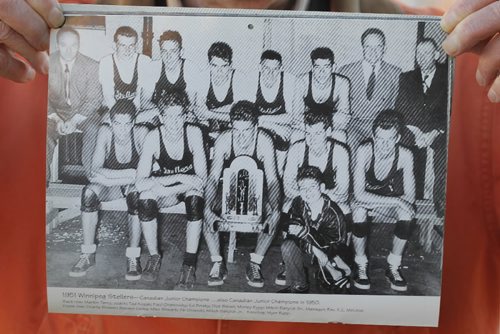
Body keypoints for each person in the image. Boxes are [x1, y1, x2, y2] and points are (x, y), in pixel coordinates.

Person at [0, 0, 498, 333]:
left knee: (270, 193)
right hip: (224, 153)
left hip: (282, 155)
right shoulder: (26, 48)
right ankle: (180, 256)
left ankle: (269, 257)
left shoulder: (474, 54)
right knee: (189, 196)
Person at [203, 100, 281, 288]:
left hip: (256, 192)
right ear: (231, 126)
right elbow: (213, 178)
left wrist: (276, 209)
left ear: (256, 127)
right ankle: (217, 262)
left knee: (274, 210)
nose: (241, 137)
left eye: (246, 131)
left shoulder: (263, 141)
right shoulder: (224, 139)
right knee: (204, 206)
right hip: (228, 191)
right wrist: (207, 207)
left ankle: (255, 263)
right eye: (237, 131)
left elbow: (272, 180)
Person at [135, 91, 207, 289]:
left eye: (179, 116)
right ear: (161, 117)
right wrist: (179, 177)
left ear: (185, 116)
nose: (174, 123)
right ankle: (154, 256)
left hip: (187, 190)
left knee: (195, 200)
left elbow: (201, 180)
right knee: (145, 198)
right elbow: (140, 183)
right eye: (168, 117)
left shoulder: (193, 133)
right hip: (172, 187)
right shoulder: (153, 137)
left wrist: (172, 186)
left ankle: (189, 265)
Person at [69, 99, 142, 281]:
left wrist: (113, 177)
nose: (123, 130)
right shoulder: (105, 132)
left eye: (127, 124)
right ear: (111, 122)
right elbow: (95, 171)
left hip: (129, 187)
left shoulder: (141, 133)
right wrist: (130, 174)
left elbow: (142, 176)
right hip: (113, 187)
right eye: (118, 124)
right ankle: (87, 254)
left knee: (136, 195)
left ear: (133, 122)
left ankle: (133, 256)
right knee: (88, 193)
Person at [351, 110, 415, 292]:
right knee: (359, 211)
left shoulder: (405, 155)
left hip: (384, 202)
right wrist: (397, 201)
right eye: (380, 139)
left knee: (405, 214)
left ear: (397, 138)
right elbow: (359, 195)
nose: (384, 145)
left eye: (389, 140)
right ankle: (361, 264)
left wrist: (397, 202)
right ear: (373, 136)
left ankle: (393, 266)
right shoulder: (364, 150)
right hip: (367, 202)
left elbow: (409, 199)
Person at [395, 38, 448, 216]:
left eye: (427, 53)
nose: (422, 57)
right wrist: (416, 132)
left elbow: (451, 108)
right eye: (419, 53)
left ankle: (440, 203)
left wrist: (434, 132)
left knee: (444, 151)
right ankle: (408, 201)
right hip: (414, 130)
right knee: (405, 147)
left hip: (439, 131)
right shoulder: (407, 77)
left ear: (436, 55)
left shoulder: (448, 75)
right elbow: (401, 109)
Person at [279, 166, 349, 294]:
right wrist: (315, 250)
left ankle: (331, 274)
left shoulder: (333, 213)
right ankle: (299, 285)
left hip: (331, 254)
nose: (307, 192)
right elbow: (293, 231)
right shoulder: (298, 202)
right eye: (302, 188)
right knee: (287, 246)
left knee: (331, 289)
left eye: (312, 187)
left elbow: (336, 245)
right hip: (313, 251)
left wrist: (305, 234)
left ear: (322, 188)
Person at [47, 26, 103, 181]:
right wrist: (56, 118)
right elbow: (41, 98)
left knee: (95, 129)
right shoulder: (46, 63)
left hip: (83, 114)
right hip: (54, 113)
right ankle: (40, 186)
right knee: (41, 134)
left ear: (79, 45)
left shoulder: (92, 66)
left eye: (74, 45)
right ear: (58, 45)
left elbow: (94, 99)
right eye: (64, 45)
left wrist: (75, 120)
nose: (69, 50)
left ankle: (93, 179)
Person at [338, 28, 401, 154]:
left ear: (384, 48)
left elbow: (395, 107)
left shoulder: (396, 74)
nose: (373, 52)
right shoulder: (346, 71)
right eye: (368, 47)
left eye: (378, 47)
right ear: (362, 48)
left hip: (381, 126)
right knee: (349, 144)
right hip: (353, 125)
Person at [296, 47, 351, 143]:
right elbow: (296, 117)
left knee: (340, 136)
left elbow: (344, 119)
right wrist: (318, 127)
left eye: (326, 67)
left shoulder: (342, 83)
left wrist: (320, 127)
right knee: (295, 135)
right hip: (308, 128)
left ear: (333, 68)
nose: (322, 72)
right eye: (317, 67)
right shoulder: (302, 82)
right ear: (312, 68)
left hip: (328, 128)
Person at [194, 41, 246, 140]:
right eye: (214, 66)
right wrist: (229, 109)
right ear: (209, 65)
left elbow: (241, 115)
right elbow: (200, 114)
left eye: (224, 66)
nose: (219, 72)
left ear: (231, 65)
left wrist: (210, 113)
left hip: (234, 128)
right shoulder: (203, 76)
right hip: (210, 127)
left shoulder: (239, 77)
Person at [249, 49, 297, 152]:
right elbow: (247, 117)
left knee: (287, 139)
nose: (270, 73)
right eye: (266, 68)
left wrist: (261, 119)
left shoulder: (289, 81)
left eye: (275, 69)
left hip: (280, 127)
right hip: (259, 127)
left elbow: (292, 117)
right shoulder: (251, 79)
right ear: (260, 67)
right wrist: (273, 126)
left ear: (281, 69)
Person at [98, 26, 153, 114]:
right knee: (104, 127)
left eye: (131, 45)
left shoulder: (144, 61)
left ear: (137, 46)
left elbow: (142, 98)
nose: (127, 50)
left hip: (137, 110)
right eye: (122, 45)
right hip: (112, 110)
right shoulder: (106, 62)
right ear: (114, 45)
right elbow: (108, 97)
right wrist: (121, 118)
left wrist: (131, 118)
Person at [150, 30, 199, 121]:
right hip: (158, 115)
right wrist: (165, 114)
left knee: (191, 120)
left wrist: (172, 115)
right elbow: (145, 102)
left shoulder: (190, 68)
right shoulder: (154, 67)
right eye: (164, 51)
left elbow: (190, 105)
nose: (168, 57)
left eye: (173, 51)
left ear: (181, 52)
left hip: (181, 116)